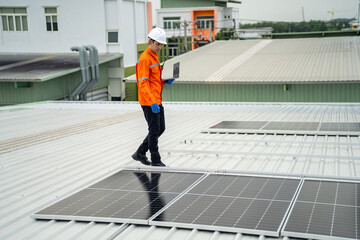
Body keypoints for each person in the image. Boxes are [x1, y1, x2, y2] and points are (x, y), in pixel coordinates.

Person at [132, 27, 175, 167]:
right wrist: (151, 103)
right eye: (158, 44)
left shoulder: (153, 56)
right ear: (150, 42)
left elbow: (153, 80)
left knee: (160, 128)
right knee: (154, 130)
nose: (160, 47)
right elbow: (142, 84)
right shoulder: (145, 59)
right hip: (149, 102)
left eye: (161, 44)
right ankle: (155, 160)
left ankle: (139, 152)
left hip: (156, 99)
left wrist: (164, 81)